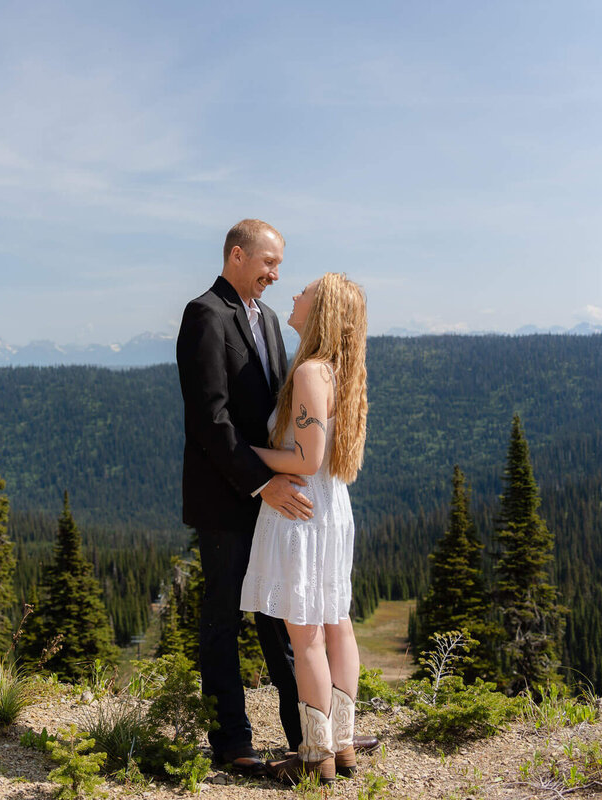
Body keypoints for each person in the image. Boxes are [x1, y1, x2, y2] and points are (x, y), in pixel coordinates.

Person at [176, 219, 311, 773]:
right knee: (224, 619)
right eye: (269, 263)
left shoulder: (272, 319)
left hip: (271, 495)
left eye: (279, 266)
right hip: (228, 496)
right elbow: (210, 419)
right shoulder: (205, 314)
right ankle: (232, 743)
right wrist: (262, 482)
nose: (276, 275)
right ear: (237, 254)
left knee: (280, 614)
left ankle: (306, 735)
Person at [238, 272, 369, 784]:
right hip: (331, 508)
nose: (294, 295)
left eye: (306, 293)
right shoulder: (342, 371)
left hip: (303, 509)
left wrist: (245, 456)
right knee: (337, 622)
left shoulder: (312, 371)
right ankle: (343, 744)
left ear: (322, 311)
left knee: (307, 630)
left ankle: (316, 756)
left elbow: (306, 458)